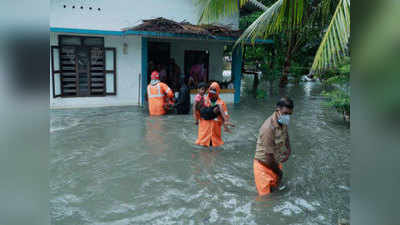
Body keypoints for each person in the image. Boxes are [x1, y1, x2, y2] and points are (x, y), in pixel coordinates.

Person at [253, 97, 294, 196]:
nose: (287, 116)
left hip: (275, 162)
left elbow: (286, 133)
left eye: (290, 114)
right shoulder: (268, 128)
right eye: (285, 113)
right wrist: (279, 173)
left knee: (276, 191)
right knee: (266, 200)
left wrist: (288, 149)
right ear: (278, 110)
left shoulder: (283, 121)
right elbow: (268, 157)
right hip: (263, 166)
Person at [195, 82, 232, 147]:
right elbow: (197, 111)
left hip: (215, 138)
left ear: (218, 93)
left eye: (214, 93)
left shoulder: (222, 104)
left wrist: (225, 125)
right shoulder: (203, 100)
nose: (212, 95)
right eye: (210, 93)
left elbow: (225, 117)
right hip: (203, 136)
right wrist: (196, 119)